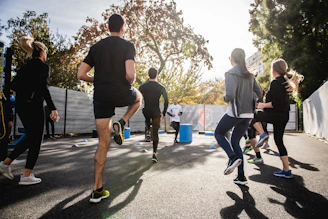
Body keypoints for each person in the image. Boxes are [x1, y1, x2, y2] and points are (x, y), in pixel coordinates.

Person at [77, 14, 142, 203]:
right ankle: (122, 122)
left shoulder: (96, 47)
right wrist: (129, 81)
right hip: (121, 92)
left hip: (101, 97)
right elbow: (130, 74)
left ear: (108, 28)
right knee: (138, 98)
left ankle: (97, 189)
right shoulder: (128, 45)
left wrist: (97, 79)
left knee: (102, 144)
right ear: (123, 28)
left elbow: (81, 74)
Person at [0, 36, 59, 185]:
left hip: (21, 106)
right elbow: (43, 88)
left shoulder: (25, 67)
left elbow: (12, 85)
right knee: (36, 140)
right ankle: (26, 175)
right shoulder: (43, 67)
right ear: (41, 52)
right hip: (34, 106)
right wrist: (53, 108)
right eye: (46, 53)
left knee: (31, 137)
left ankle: (5, 163)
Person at [214, 48, 262, 185]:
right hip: (248, 114)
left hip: (236, 112)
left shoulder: (230, 73)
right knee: (235, 141)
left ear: (233, 59)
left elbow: (230, 95)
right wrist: (252, 106)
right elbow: (259, 93)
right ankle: (241, 176)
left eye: (230, 58)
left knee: (218, 133)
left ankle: (232, 157)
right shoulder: (250, 75)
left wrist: (224, 97)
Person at [252, 58, 304, 178]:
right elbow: (279, 101)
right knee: (279, 141)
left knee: (252, 116)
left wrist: (262, 105)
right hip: (283, 115)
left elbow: (276, 103)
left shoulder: (275, 82)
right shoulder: (284, 82)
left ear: (273, 70)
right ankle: (286, 170)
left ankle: (263, 134)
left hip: (277, 114)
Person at [139, 68, 168, 163]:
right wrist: (164, 113)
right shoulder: (161, 87)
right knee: (155, 133)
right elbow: (166, 101)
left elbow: (137, 96)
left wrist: (142, 99)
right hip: (156, 112)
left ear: (148, 75)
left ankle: (147, 130)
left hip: (146, 110)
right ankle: (154, 154)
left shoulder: (143, 86)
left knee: (147, 118)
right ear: (157, 75)